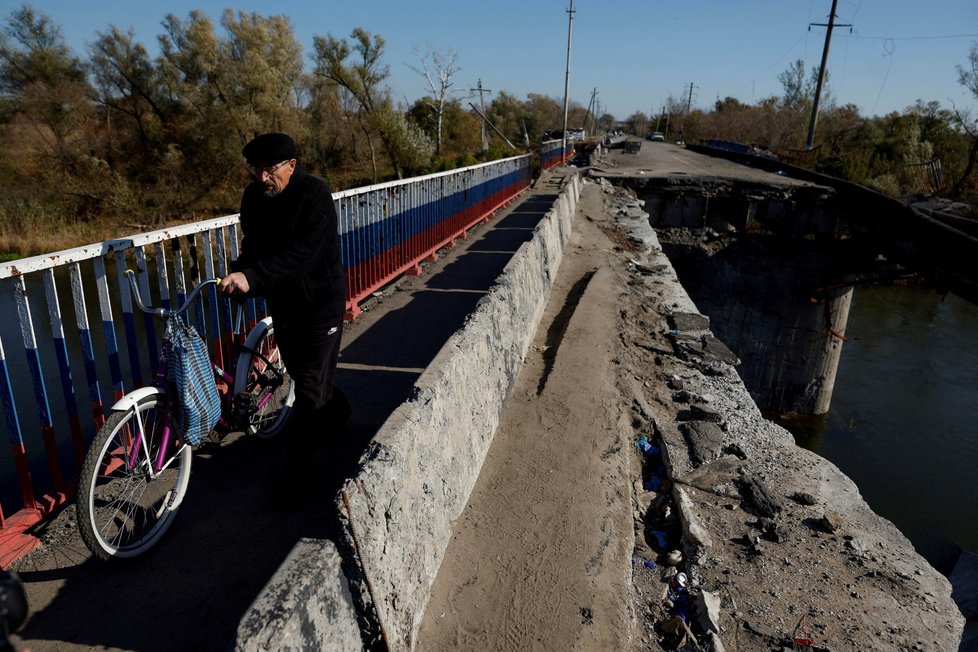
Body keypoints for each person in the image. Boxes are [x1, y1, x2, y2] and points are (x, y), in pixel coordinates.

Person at [218, 132, 349, 484]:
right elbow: (254, 243)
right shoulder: (255, 197)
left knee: (307, 390)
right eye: (254, 169)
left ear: (291, 165)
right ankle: (339, 411)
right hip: (284, 303)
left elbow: (304, 256)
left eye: (269, 169)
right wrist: (241, 271)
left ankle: (297, 478)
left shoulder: (315, 195)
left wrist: (254, 277)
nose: (261, 178)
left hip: (321, 302)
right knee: (305, 374)